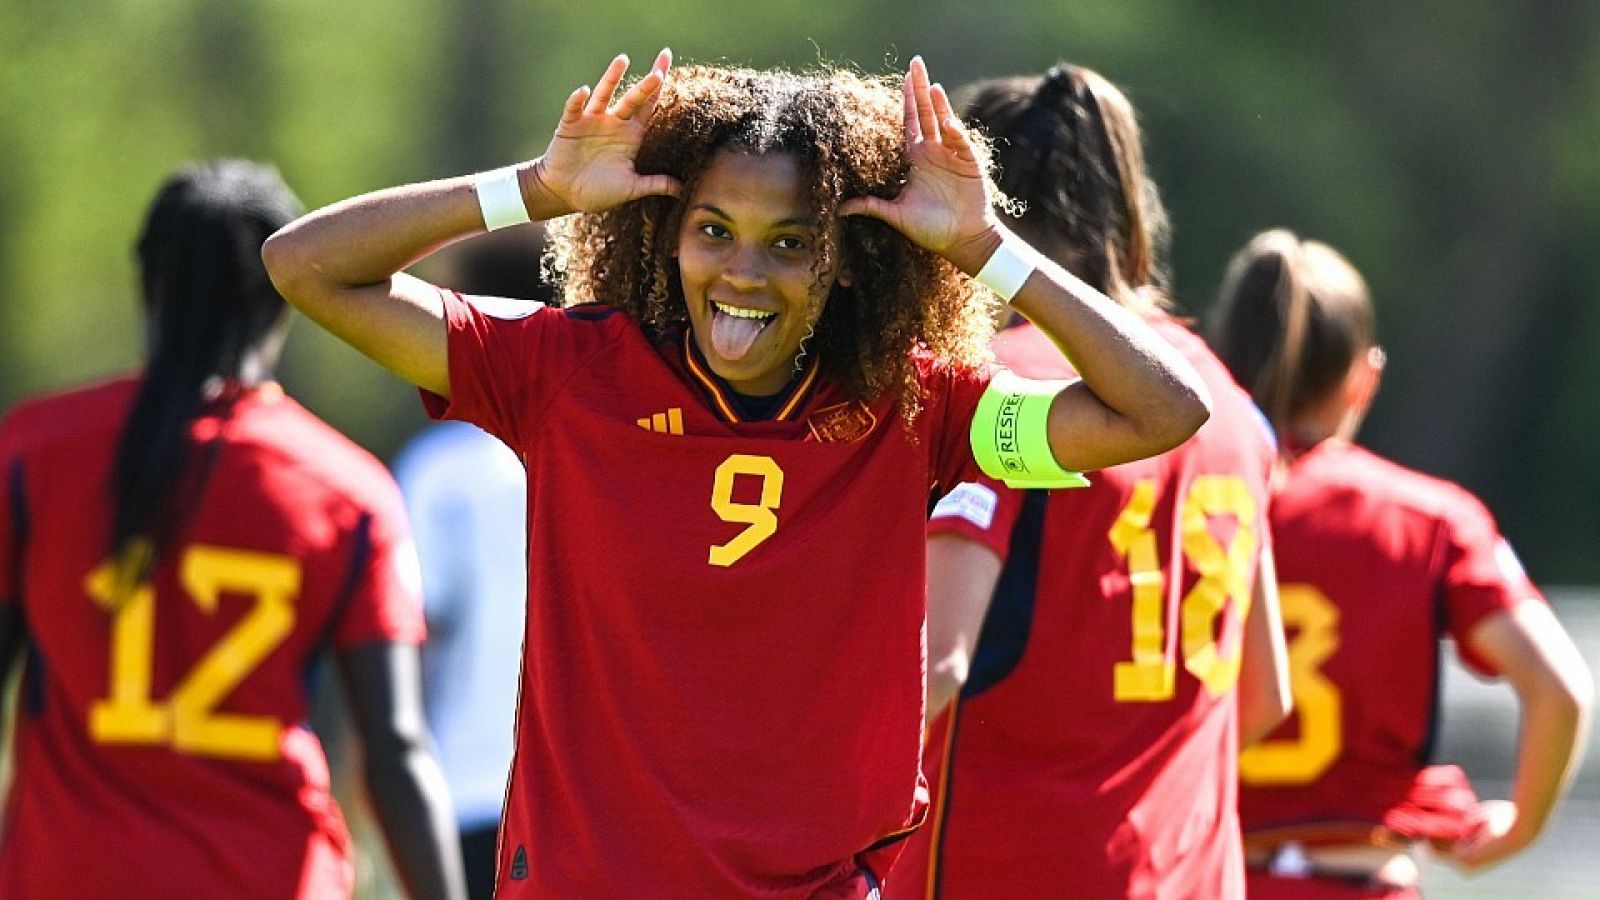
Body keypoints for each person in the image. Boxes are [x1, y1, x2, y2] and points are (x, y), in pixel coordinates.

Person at [261, 50, 1213, 897]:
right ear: (666, 235)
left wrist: (979, 246)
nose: (743, 271)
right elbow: (307, 267)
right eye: (712, 229)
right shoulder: (564, 370)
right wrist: (540, 189)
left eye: (791, 242)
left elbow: (1162, 408)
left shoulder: (918, 406)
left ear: (846, 263)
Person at [0, 160, 466, 900]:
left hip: (69, 874)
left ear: (147, 282)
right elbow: (395, 750)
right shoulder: (346, 490)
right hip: (270, 874)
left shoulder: (34, 452)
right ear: (283, 302)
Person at [887, 64, 1291, 899]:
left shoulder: (999, 388)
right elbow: (1265, 696)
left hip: (1011, 871)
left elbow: (934, 667)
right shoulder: (1228, 404)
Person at [1210, 230, 1592, 898]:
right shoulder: (1429, 518)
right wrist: (1517, 830)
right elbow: (1558, 688)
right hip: (1361, 880)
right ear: (1365, 378)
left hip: (1211, 876)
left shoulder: (1179, 500)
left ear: (1223, 359)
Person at [393, 224, 550, 900]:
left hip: (462, 786)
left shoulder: (442, 471)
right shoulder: (601, 455)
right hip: (576, 799)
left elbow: (412, 640)